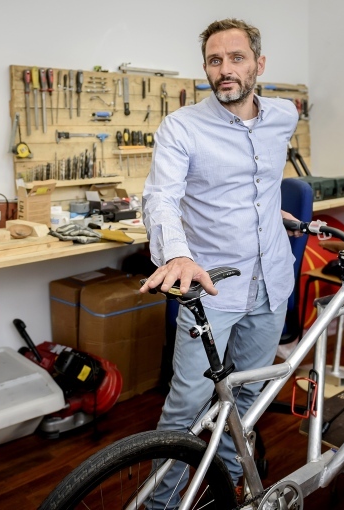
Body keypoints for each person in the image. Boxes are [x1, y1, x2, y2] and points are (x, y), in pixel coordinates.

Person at [140, 17, 301, 504]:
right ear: (205, 67)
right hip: (212, 287)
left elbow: (257, 183)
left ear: (259, 64)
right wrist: (178, 255)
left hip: (271, 281)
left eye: (236, 58)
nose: (225, 69)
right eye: (215, 60)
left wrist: (271, 212)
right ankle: (160, 502)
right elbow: (161, 199)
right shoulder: (182, 127)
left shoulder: (283, 116)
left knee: (249, 396)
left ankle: (231, 484)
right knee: (186, 405)